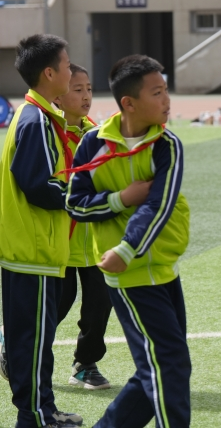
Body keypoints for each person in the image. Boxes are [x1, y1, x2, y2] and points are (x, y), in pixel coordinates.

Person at [66, 55, 190, 428]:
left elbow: (159, 204)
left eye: (166, 90)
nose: (166, 101)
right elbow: (74, 204)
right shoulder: (93, 143)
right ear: (128, 103)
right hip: (130, 276)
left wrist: (127, 245)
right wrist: (120, 200)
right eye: (157, 93)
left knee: (158, 364)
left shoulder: (168, 144)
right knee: (168, 364)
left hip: (164, 269)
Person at [0, 33, 82, 428]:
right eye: (67, 65)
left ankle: (44, 410)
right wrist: (82, 196)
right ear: (49, 73)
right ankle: (33, 417)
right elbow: (37, 184)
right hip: (31, 253)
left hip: (36, 252)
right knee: (30, 344)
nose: (71, 70)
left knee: (38, 343)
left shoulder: (38, 114)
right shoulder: (36, 120)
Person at [54, 64, 112, 390]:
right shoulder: (47, 132)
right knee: (58, 304)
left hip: (96, 242)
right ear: (58, 96)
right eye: (78, 89)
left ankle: (85, 363)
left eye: (89, 88)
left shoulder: (97, 132)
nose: (86, 95)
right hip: (61, 240)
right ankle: (16, 345)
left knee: (100, 305)